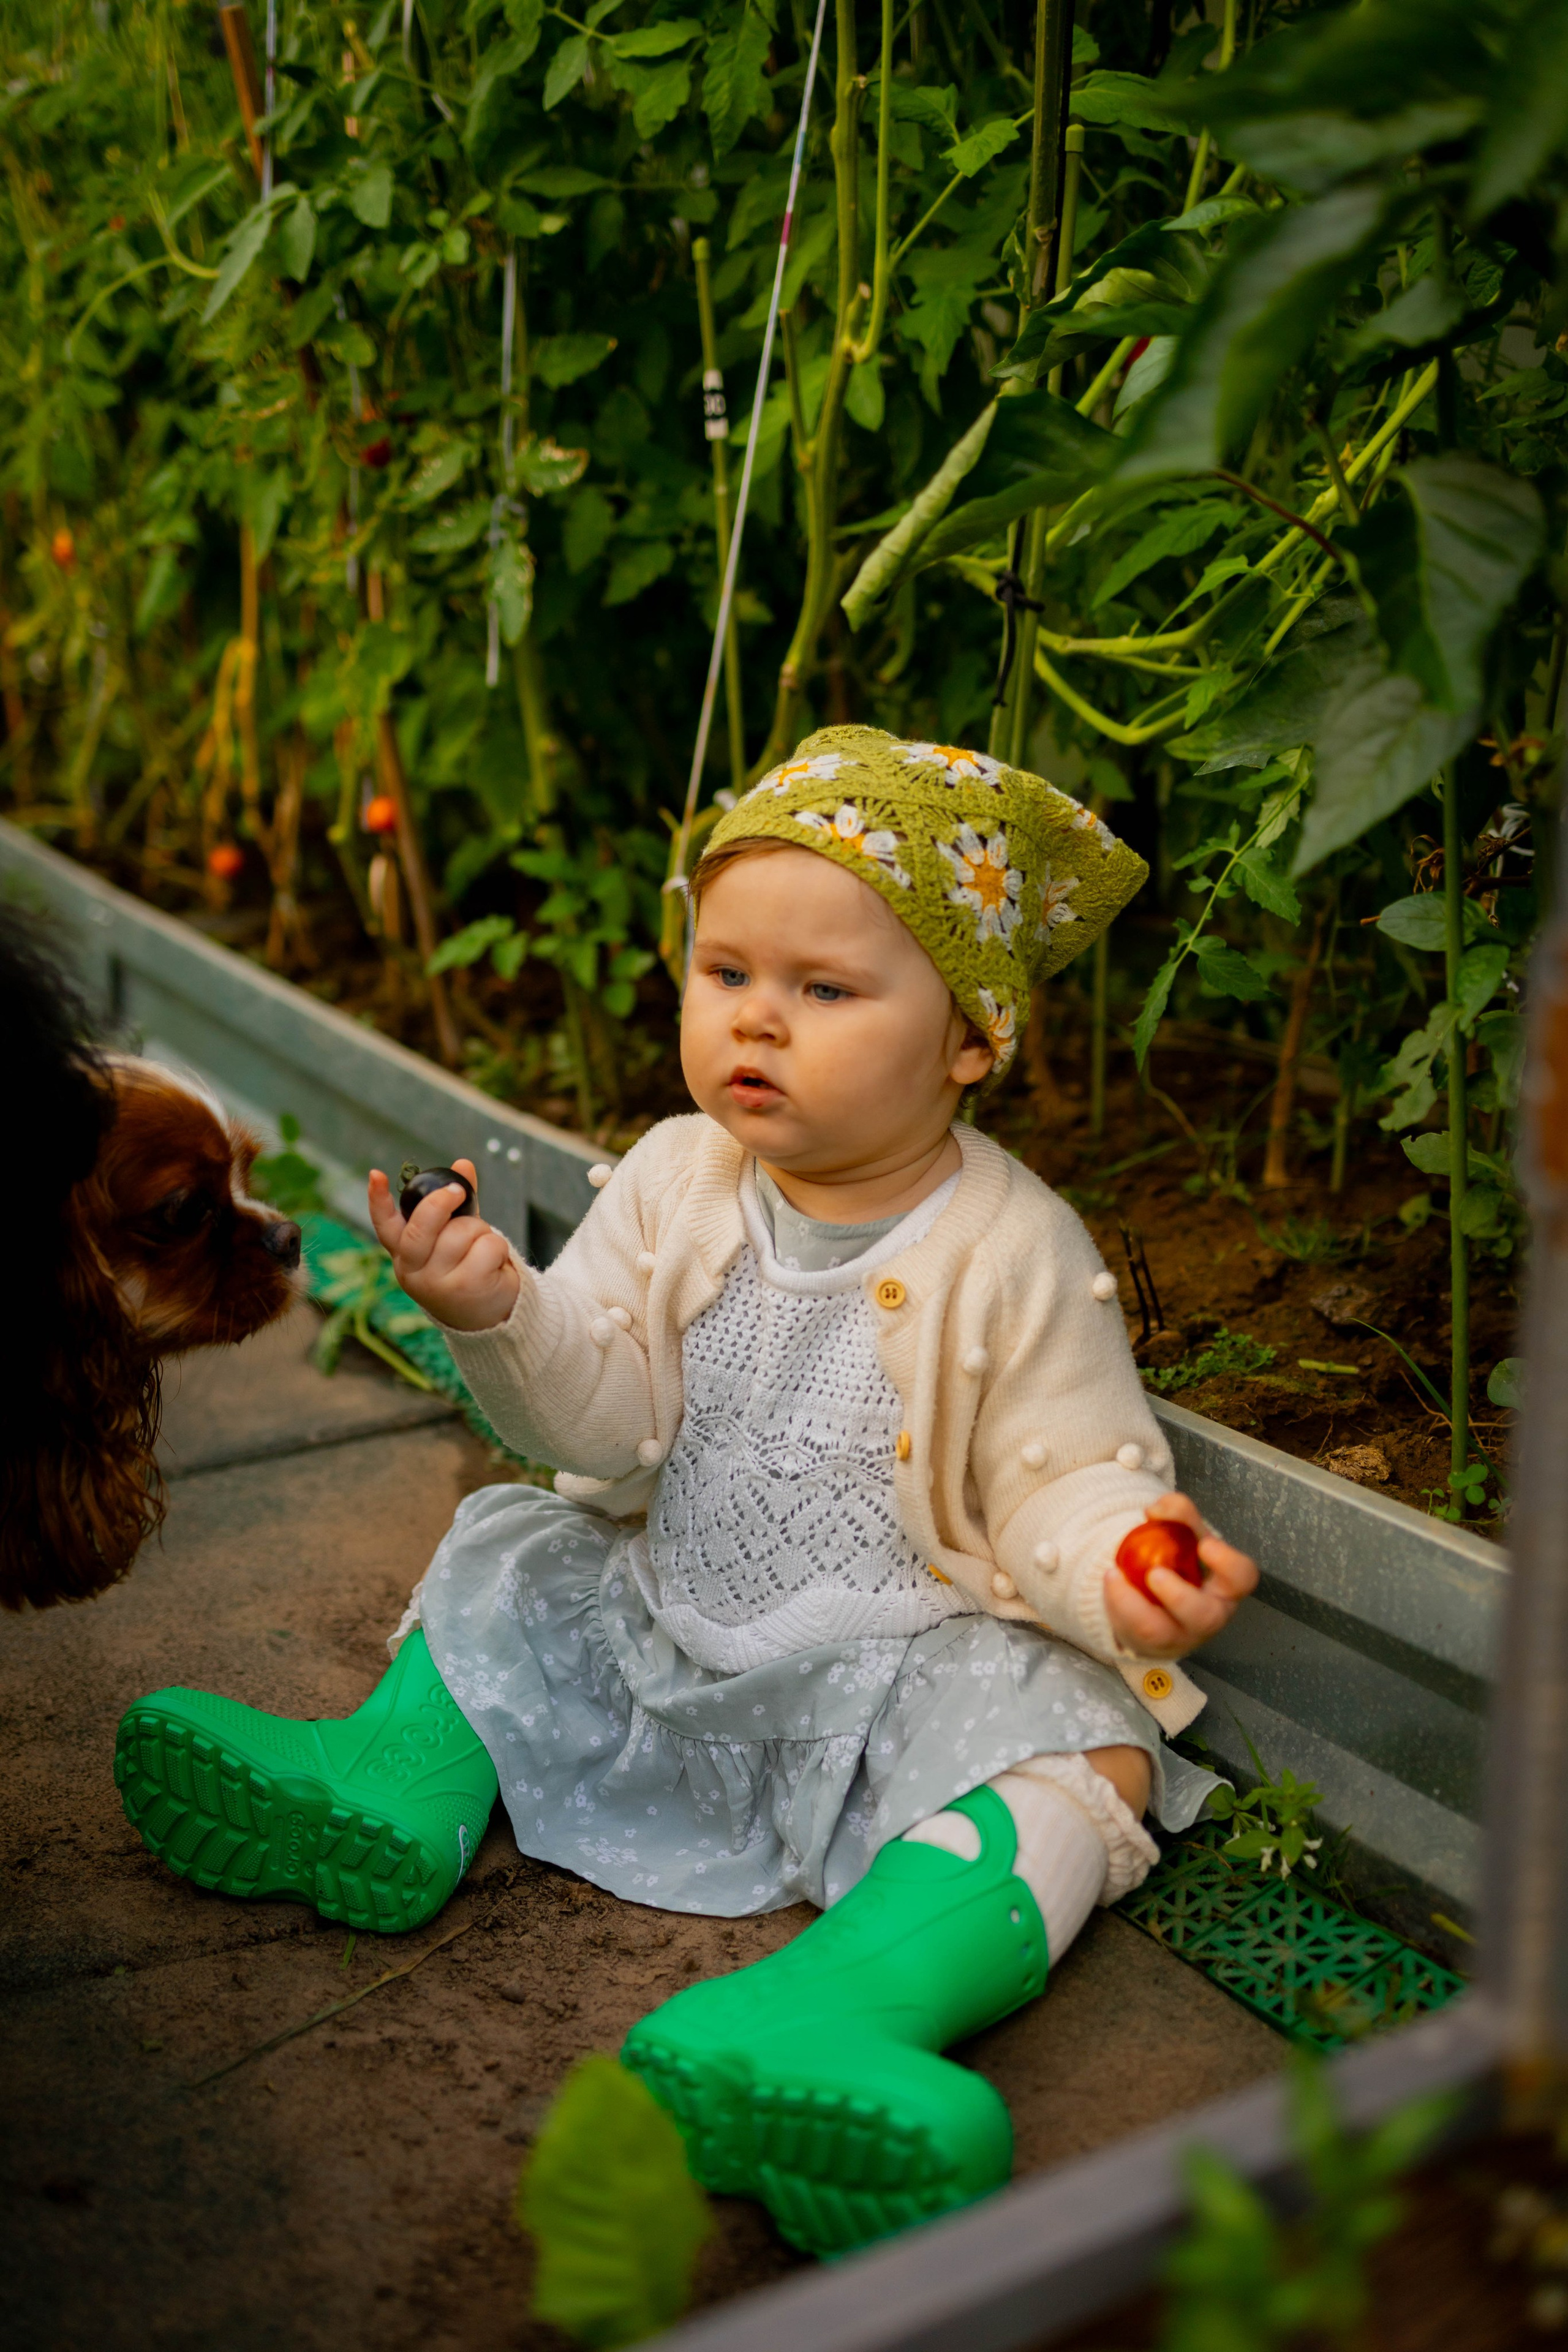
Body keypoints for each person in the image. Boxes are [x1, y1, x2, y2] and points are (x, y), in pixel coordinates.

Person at [117, 726, 1257, 2257]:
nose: (757, 1024)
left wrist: (1119, 1553)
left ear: (970, 1042)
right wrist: (497, 1312)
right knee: (514, 1547)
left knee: (1083, 1755)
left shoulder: (1014, 1245)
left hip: (887, 1677)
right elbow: (594, 1423)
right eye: (724, 976)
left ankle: (841, 2010)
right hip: (668, 1621)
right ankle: (390, 1790)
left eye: (825, 991)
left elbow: (1058, 1469)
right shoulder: (675, 1173)